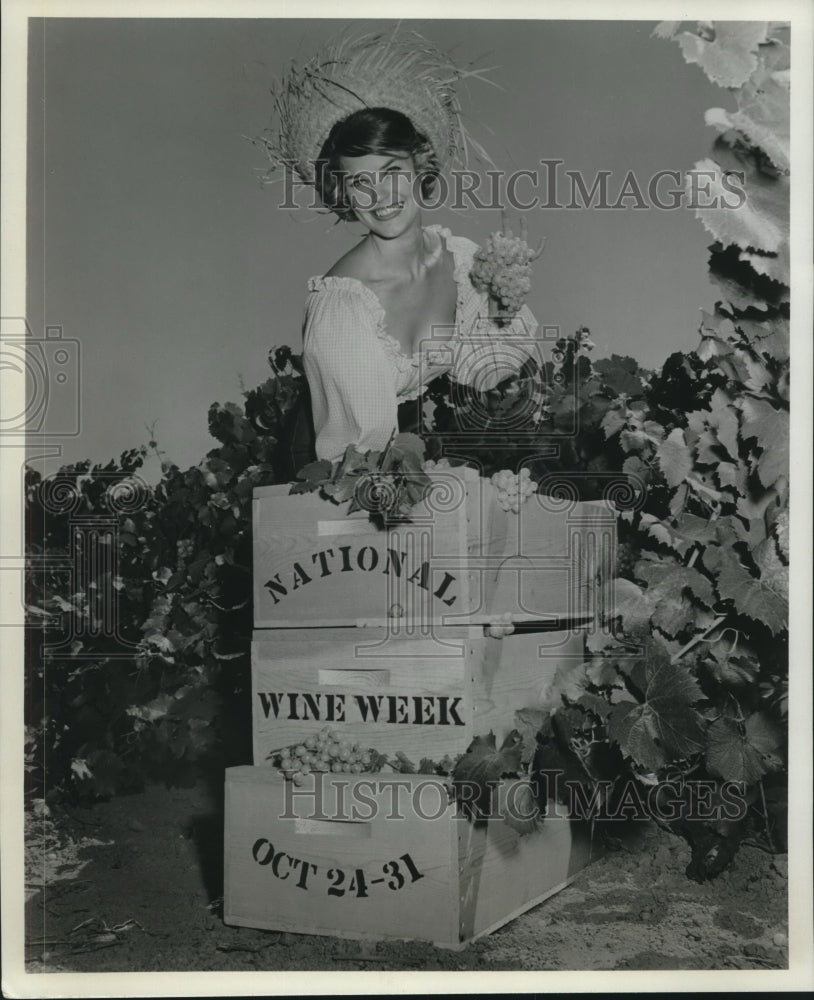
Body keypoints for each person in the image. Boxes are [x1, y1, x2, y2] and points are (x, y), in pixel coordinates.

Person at [262, 30, 539, 463]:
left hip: (399, 467)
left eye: (390, 171)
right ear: (344, 193)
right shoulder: (344, 302)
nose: (379, 196)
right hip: (335, 473)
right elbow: (355, 458)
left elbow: (483, 371)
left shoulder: (461, 260)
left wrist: (501, 309)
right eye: (360, 182)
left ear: (419, 166)